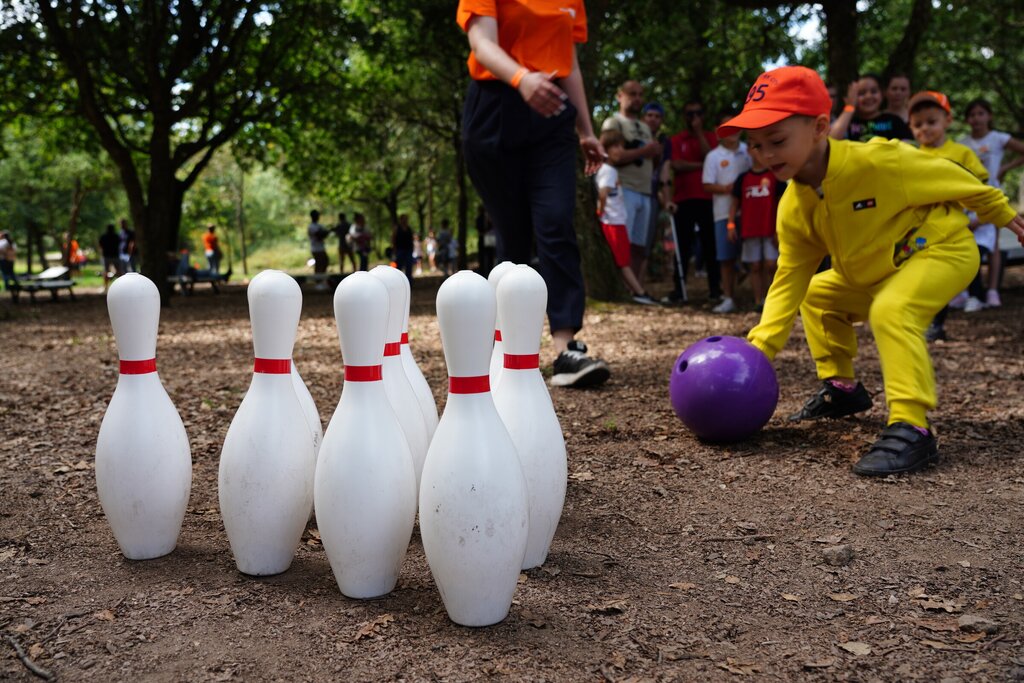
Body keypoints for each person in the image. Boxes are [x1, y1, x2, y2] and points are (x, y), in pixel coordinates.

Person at [718, 65, 1024, 476]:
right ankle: (842, 389)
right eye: (754, 145)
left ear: (821, 127)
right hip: (877, 273)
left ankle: (912, 426)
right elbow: (791, 276)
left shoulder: (878, 160)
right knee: (816, 293)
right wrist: (759, 351)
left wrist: (1001, 212)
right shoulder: (793, 205)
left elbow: (951, 176)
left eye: (776, 140)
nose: (765, 155)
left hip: (941, 249)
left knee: (891, 312)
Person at [457, 0, 610, 388]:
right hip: (495, 107)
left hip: (551, 110)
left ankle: (566, 349)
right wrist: (521, 78)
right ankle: (507, 350)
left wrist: (586, 130)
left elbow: (568, 64)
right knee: (513, 239)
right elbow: (482, 44)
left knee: (556, 222)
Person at [906, 91, 990, 341]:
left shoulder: (961, 153)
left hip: (950, 228)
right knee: (917, 275)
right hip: (916, 229)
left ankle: (937, 324)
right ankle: (919, 320)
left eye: (931, 122)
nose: (925, 129)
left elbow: (980, 183)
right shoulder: (911, 156)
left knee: (938, 275)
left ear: (947, 121)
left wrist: (977, 213)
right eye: (918, 125)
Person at [958, 98, 1024, 309]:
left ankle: (992, 289)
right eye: (972, 115)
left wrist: (1005, 168)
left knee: (993, 243)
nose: (976, 118)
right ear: (967, 119)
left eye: (981, 113)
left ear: (989, 116)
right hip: (969, 198)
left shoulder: (998, 138)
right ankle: (967, 290)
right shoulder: (963, 144)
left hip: (993, 196)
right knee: (969, 239)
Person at [601, 81, 660, 290]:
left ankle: (634, 291)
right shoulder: (613, 123)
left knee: (638, 246)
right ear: (620, 96)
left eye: (640, 94)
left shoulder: (644, 127)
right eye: (632, 94)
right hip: (624, 190)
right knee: (622, 246)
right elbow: (610, 155)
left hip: (645, 191)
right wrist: (644, 152)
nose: (637, 98)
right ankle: (620, 288)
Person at [596, 129, 657, 304]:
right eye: (615, 146)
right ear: (605, 148)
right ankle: (638, 291)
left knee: (623, 258)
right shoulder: (609, 171)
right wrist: (600, 212)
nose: (620, 151)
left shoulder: (608, 170)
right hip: (613, 223)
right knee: (623, 261)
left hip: (616, 222)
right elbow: (603, 193)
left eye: (622, 146)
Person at [667, 100, 719, 305]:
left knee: (710, 246)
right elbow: (677, 165)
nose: (694, 118)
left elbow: (711, 157)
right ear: (684, 117)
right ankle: (679, 289)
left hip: (707, 199)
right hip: (683, 199)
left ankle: (715, 289)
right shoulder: (676, 140)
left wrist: (699, 134)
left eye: (697, 113)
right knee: (683, 246)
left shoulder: (710, 138)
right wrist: (702, 165)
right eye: (689, 114)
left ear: (703, 116)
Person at [702, 113, 751, 313]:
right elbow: (706, 185)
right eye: (727, 127)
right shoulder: (713, 156)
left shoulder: (749, 150)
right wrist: (728, 189)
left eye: (736, 126)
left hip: (750, 212)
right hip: (723, 213)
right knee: (726, 258)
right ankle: (728, 297)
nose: (733, 131)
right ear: (719, 132)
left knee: (755, 257)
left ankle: (759, 297)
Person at [728, 161, 786, 312]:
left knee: (772, 264)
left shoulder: (775, 177)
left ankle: (773, 300)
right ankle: (758, 300)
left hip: (770, 228)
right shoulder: (743, 178)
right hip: (750, 228)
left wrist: (779, 229)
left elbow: (783, 203)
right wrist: (731, 225)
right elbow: (734, 203)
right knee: (754, 266)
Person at [830, 73, 912, 142]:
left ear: (882, 94)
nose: (868, 96)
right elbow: (831, 140)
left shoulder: (895, 121)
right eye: (861, 93)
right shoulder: (847, 122)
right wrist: (850, 107)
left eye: (874, 91)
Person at [307, 210, 329, 285]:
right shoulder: (312, 226)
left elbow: (324, 234)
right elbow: (319, 235)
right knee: (320, 264)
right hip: (316, 248)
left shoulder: (318, 225)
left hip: (320, 248)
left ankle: (320, 279)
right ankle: (318, 281)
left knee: (324, 262)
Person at [392, 214, 415, 281]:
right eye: (404, 219)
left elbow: (411, 239)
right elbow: (393, 238)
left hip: (408, 250)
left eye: (406, 219)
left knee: (409, 266)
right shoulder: (397, 228)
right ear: (401, 219)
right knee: (399, 266)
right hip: (400, 250)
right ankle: (398, 280)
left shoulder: (409, 228)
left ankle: (409, 281)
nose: (405, 220)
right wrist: (394, 248)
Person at [475, 205, 496, 276]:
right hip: (489, 237)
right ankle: (489, 272)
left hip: (483, 238)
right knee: (489, 256)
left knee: (484, 257)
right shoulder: (488, 217)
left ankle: (483, 273)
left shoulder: (479, 218)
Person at [99, 223, 121, 288]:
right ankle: (120, 285)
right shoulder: (116, 236)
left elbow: (100, 246)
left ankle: (105, 286)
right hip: (115, 256)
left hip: (106, 256)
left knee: (106, 271)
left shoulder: (103, 236)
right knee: (118, 271)